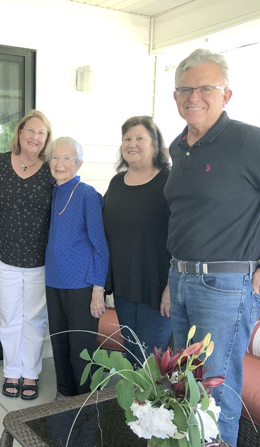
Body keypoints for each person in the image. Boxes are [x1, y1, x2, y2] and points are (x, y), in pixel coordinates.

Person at [164, 49, 260, 446]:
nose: (193, 96)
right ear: (176, 95)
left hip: (226, 286)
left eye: (205, 88)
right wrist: (173, 277)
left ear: (226, 95)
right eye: (185, 89)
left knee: (216, 391)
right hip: (180, 279)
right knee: (185, 383)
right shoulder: (179, 148)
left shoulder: (249, 141)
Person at [0, 110, 54, 400]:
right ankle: (11, 372)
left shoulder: (53, 169)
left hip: (39, 257)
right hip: (2, 253)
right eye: (30, 131)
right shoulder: (0, 163)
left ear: (46, 139)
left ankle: (31, 373)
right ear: (19, 133)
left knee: (35, 319)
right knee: (9, 317)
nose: (34, 137)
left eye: (41, 133)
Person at [103, 116, 172, 367]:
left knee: (149, 362)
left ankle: (144, 405)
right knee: (132, 354)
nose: (132, 144)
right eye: (127, 138)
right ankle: (134, 406)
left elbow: (182, 237)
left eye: (139, 138)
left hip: (158, 287)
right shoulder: (116, 183)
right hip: (124, 287)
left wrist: (172, 287)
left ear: (154, 144)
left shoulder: (169, 182)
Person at [45, 137, 109, 398]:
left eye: (66, 158)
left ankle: (87, 400)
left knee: (80, 349)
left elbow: (100, 246)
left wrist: (98, 288)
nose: (59, 163)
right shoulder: (54, 191)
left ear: (78, 164)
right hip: (54, 280)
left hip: (82, 284)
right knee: (59, 343)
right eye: (55, 157)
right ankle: (64, 395)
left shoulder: (87, 194)